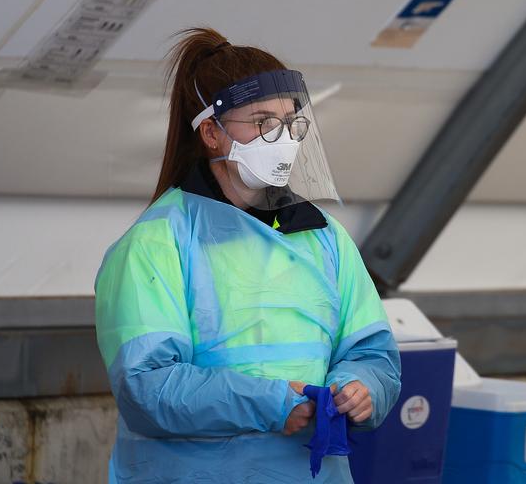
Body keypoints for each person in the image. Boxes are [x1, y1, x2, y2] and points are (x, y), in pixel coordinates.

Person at [94, 27, 401, 483]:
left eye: (291, 122)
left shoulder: (323, 237)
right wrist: (272, 404)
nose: (283, 138)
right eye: (261, 122)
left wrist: (361, 389)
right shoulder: (157, 242)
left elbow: (373, 353)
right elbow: (147, 387)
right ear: (212, 133)